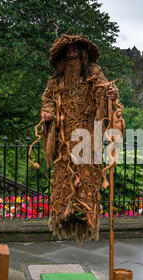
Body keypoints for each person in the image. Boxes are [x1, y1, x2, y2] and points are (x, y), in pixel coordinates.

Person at [40, 31, 124, 242]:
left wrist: (111, 94)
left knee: (87, 178)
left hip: (88, 134)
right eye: (68, 49)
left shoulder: (93, 72)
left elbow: (106, 89)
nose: (72, 52)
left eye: (76, 48)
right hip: (64, 138)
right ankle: (62, 216)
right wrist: (48, 112)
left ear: (83, 52)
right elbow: (48, 98)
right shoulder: (57, 78)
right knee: (63, 177)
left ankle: (87, 219)